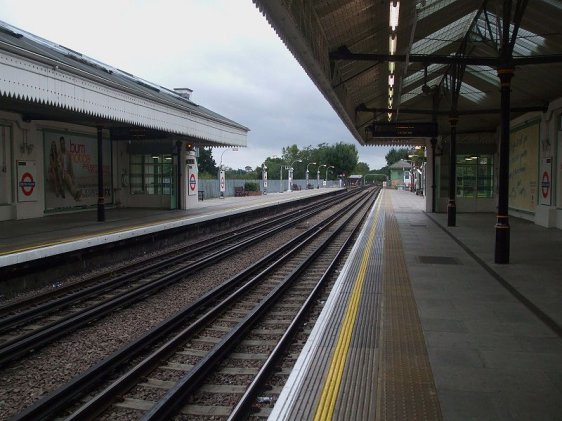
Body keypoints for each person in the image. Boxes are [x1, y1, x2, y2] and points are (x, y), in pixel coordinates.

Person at [59, 136, 82, 201]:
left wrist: (73, 176)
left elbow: (70, 166)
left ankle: (76, 195)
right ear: (60, 144)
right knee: (69, 179)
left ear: (64, 143)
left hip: (67, 172)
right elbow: (58, 165)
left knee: (73, 181)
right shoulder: (59, 152)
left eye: (63, 143)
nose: (62, 145)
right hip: (62, 173)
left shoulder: (68, 153)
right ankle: (75, 193)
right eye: (61, 144)